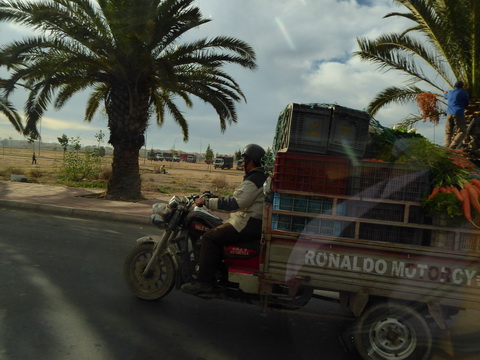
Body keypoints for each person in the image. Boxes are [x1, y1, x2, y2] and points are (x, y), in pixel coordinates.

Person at [181, 144, 268, 295]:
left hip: (246, 224)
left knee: (209, 237)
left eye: (244, 160)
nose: (242, 164)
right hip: (247, 221)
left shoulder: (255, 179)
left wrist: (207, 202)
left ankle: (204, 284)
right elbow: (239, 198)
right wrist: (215, 197)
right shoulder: (258, 177)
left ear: (251, 161)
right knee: (214, 230)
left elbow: (235, 203)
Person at [444, 81, 470, 149]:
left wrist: (445, 93)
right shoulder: (464, 93)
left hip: (449, 114)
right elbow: (467, 103)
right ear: (462, 86)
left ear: (454, 86)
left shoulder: (450, 92)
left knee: (448, 131)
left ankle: (446, 146)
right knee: (462, 131)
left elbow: (445, 96)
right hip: (458, 113)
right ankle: (453, 145)